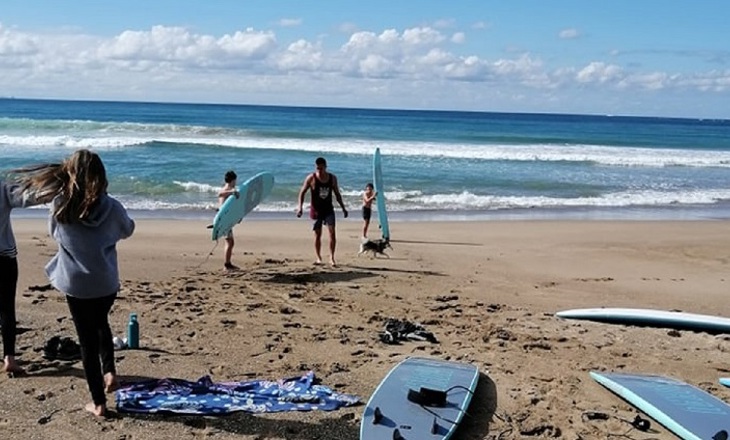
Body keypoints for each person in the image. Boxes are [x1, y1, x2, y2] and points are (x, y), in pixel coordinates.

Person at [13, 149, 135, 417]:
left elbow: (53, 233)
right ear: (101, 176)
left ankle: (99, 403)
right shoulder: (112, 207)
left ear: (71, 174)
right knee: (101, 323)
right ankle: (110, 372)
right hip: (105, 283)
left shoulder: (60, 205)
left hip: (77, 285)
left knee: (87, 340)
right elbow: (127, 229)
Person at [0, 179, 39, 375]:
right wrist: (55, 186)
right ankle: (9, 358)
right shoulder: (3, 187)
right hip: (4, 257)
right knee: (6, 308)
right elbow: (27, 198)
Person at [296, 157, 348, 267]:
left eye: (321, 168)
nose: (319, 170)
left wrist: (343, 208)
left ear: (325, 167)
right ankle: (319, 257)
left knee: (332, 233)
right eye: (317, 168)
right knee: (317, 235)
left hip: (328, 209)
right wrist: (300, 207)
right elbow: (302, 192)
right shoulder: (311, 178)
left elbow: (337, 194)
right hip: (316, 210)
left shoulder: (332, 178)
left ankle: (332, 258)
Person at [218, 170, 239, 270]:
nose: (236, 182)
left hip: (226, 219)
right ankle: (227, 265)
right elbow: (220, 194)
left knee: (230, 242)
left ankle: (228, 263)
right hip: (224, 220)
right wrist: (232, 192)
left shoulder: (230, 189)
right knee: (229, 242)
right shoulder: (227, 189)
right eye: (235, 180)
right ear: (233, 180)